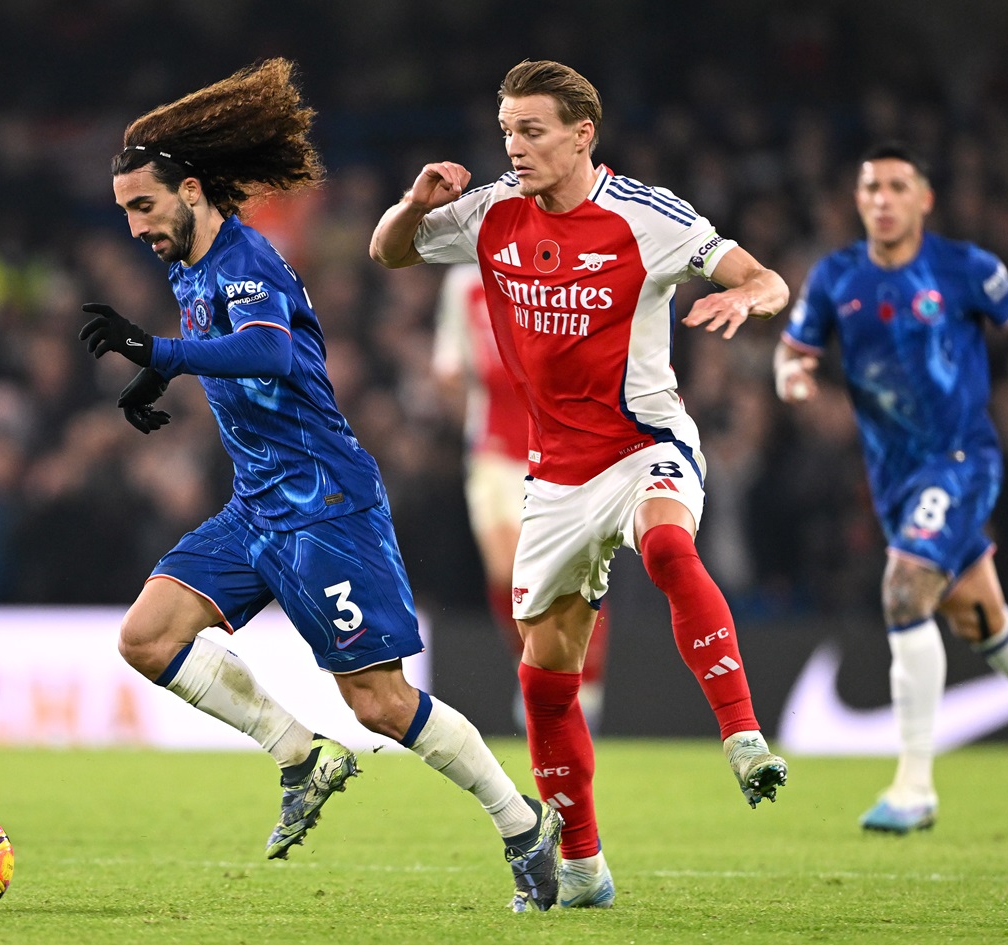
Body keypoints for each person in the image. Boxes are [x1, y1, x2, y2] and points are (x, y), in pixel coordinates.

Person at [76, 58, 562, 912]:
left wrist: (158, 353)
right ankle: (301, 753)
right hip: (259, 503)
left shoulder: (243, 257)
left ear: (190, 190)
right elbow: (253, 360)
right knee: (148, 636)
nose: (133, 227)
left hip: (326, 505)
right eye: (123, 213)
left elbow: (265, 346)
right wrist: (161, 377)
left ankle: (522, 823)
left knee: (379, 702)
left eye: (143, 206)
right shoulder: (190, 264)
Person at [371, 59, 790, 909]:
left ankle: (743, 734)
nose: (514, 148)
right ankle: (585, 865)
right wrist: (416, 202)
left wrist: (748, 300)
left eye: (531, 131)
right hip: (554, 475)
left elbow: (764, 275)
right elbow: (389, 254)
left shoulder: (645, 215)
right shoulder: (492, 214)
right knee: (543, 677)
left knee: (670, 543)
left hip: (644, 443)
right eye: (507, 133)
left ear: (581, 134)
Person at [773, 143, 1008, 834]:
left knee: (905, 587)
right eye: (871, 186)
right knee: (981, 617)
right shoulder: (837, 277)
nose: (882, 198)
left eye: (898, 186)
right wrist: (791, 373)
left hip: (962, 459)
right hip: (895, 477)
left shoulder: (963, 267)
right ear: (858, 198)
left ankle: (914, 784)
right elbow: (795, 346)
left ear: (924, 199)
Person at [431, 263, 611, 732]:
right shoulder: (464, 282)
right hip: (493, 450)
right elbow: (449, 359)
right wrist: (450, 376)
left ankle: (584, 681)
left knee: (570, 570)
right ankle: (531, 666)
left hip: (557, 446)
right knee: (506, 571)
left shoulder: (557, 269)